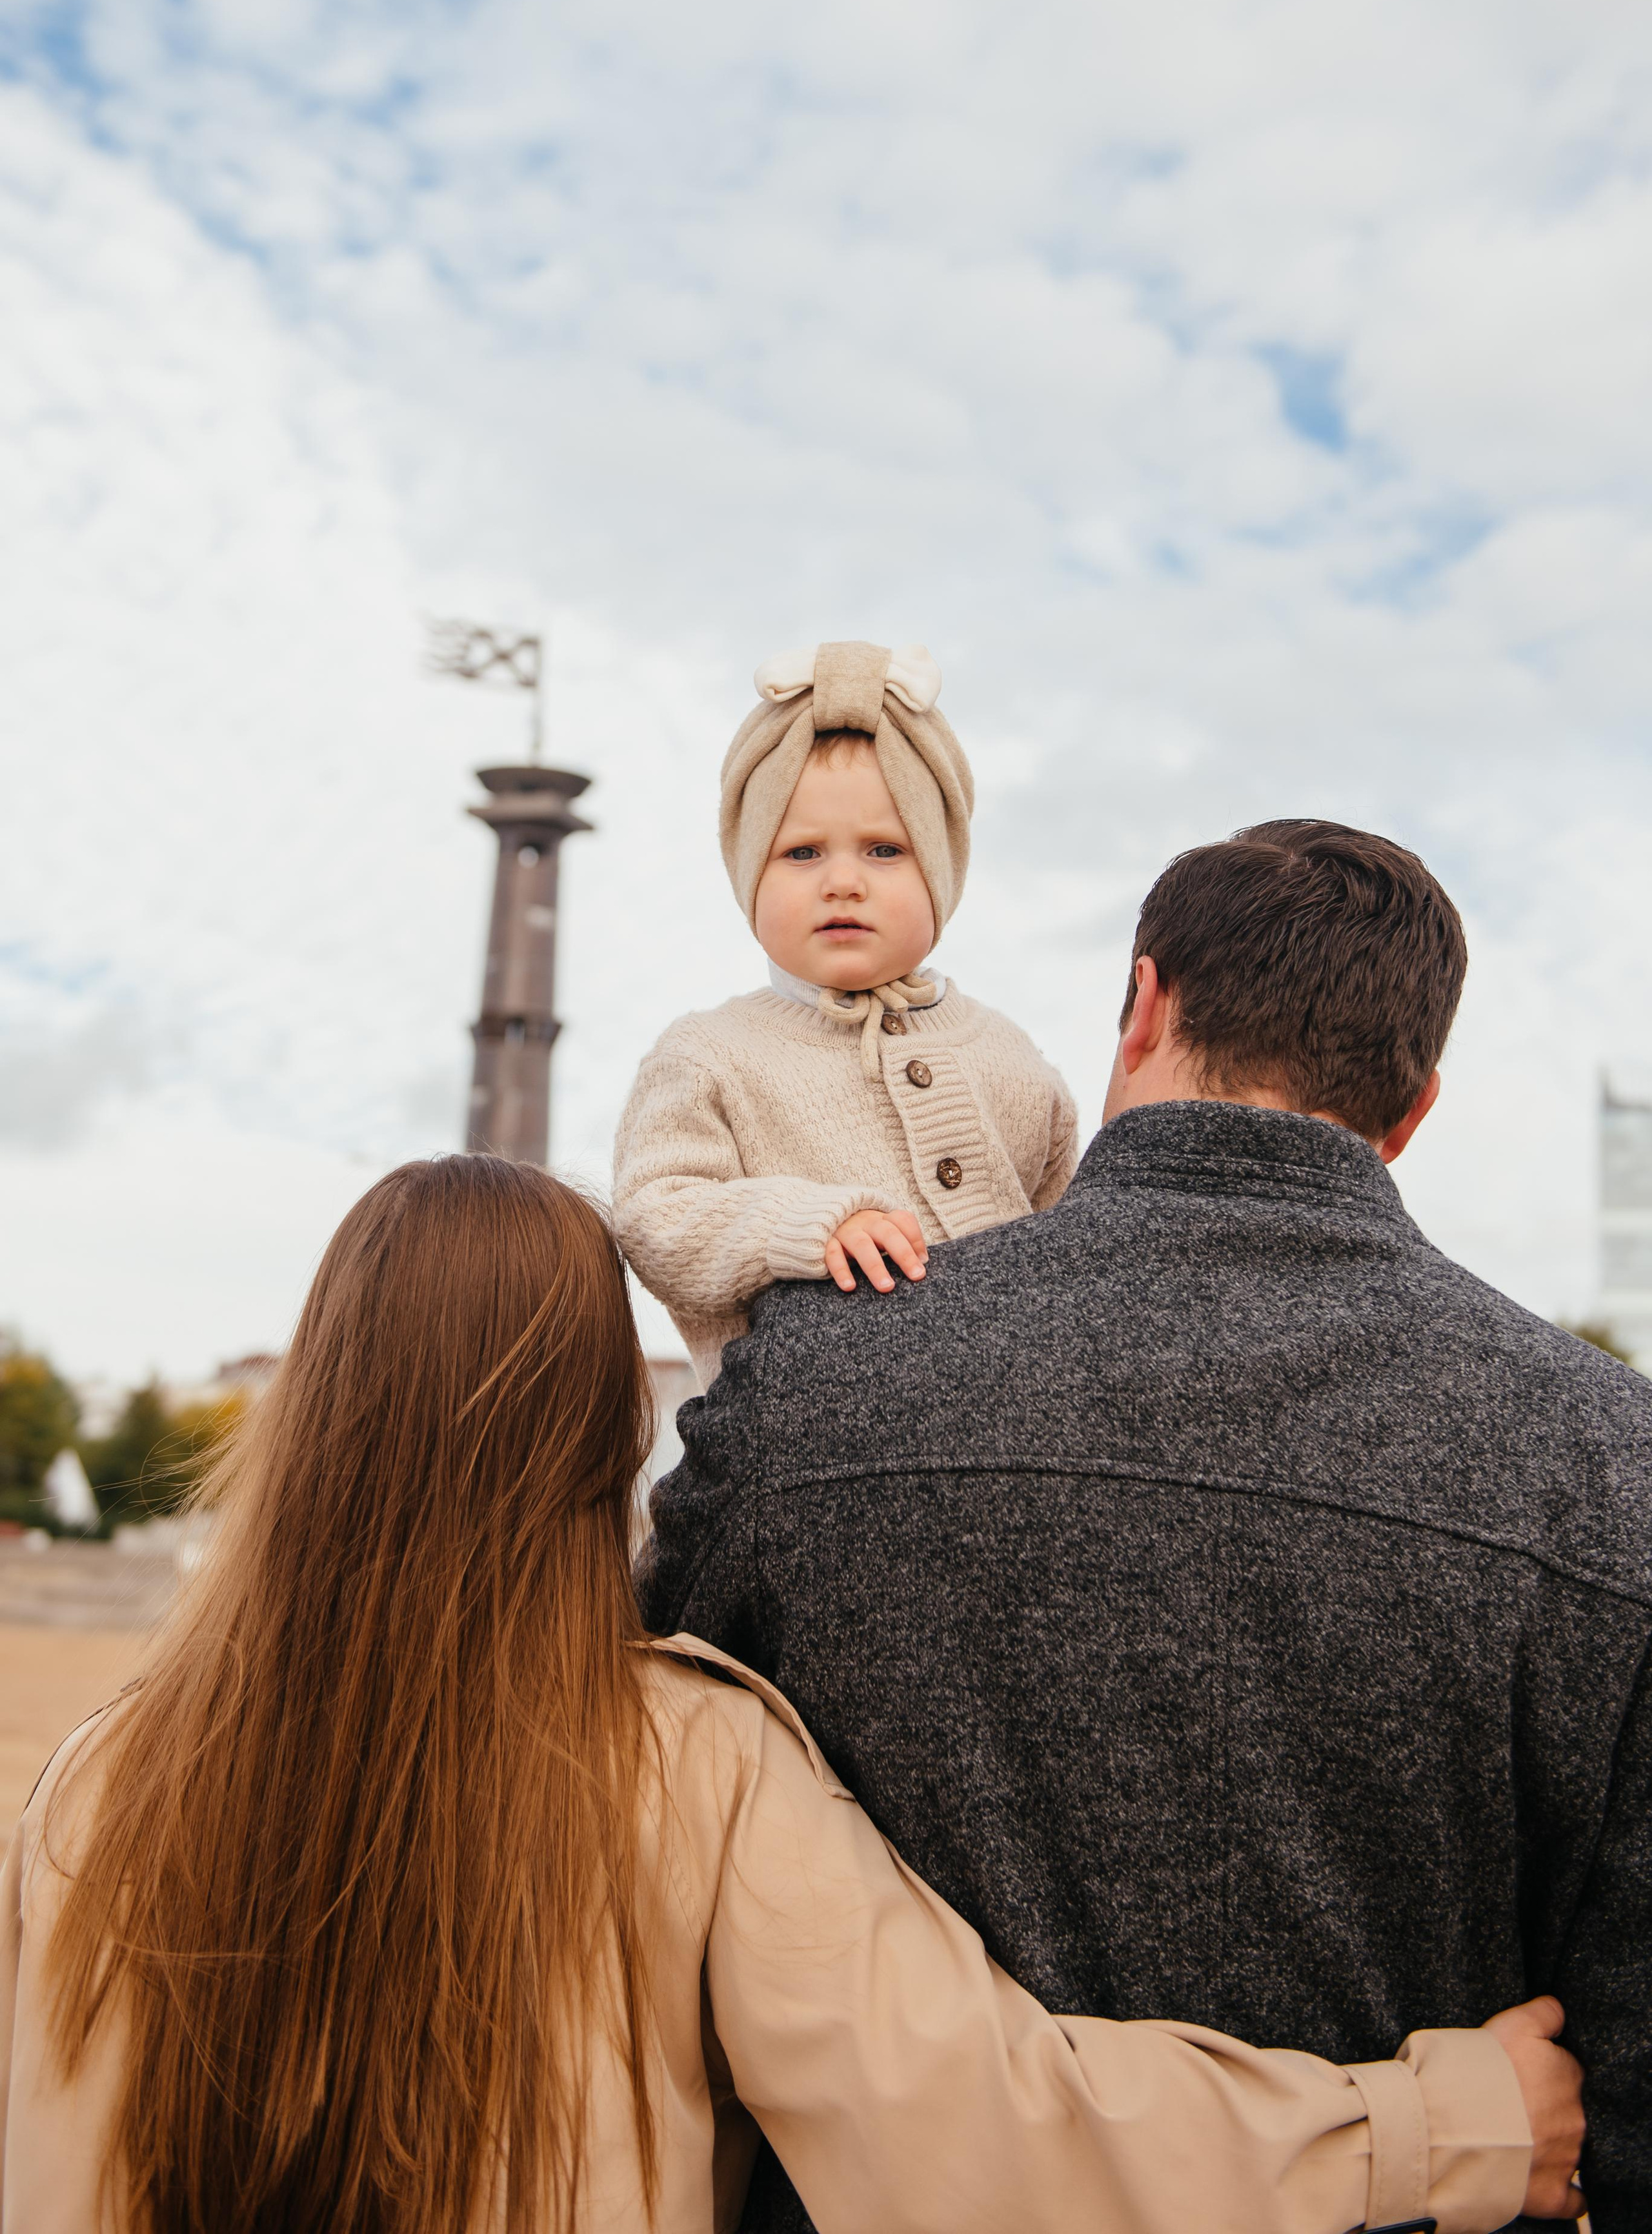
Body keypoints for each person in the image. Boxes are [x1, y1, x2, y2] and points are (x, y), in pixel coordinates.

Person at [0, 1156, 1575, 2234]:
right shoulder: (677, 1764)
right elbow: (987, 2132)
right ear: (597, 1429)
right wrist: (1446, 2116)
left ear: (312, 1404)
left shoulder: (86, 1785)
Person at [639, 818, 1650, 2233]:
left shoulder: (811, 1387)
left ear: (1141, 1005)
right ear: (1413, 1106)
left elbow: (639, 1846)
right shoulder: (1608, 1465)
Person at [613, 640, 1076, 1386]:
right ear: (746, 873)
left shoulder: (1012, 1057)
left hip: (1016, 1446)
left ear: (943, 870)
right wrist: (807, 1225)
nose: (842, 882)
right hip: (795, 1450)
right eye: (800, 854)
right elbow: (658, 1219)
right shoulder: (708, 1054)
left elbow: (1066, 1245)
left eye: (885, 850)